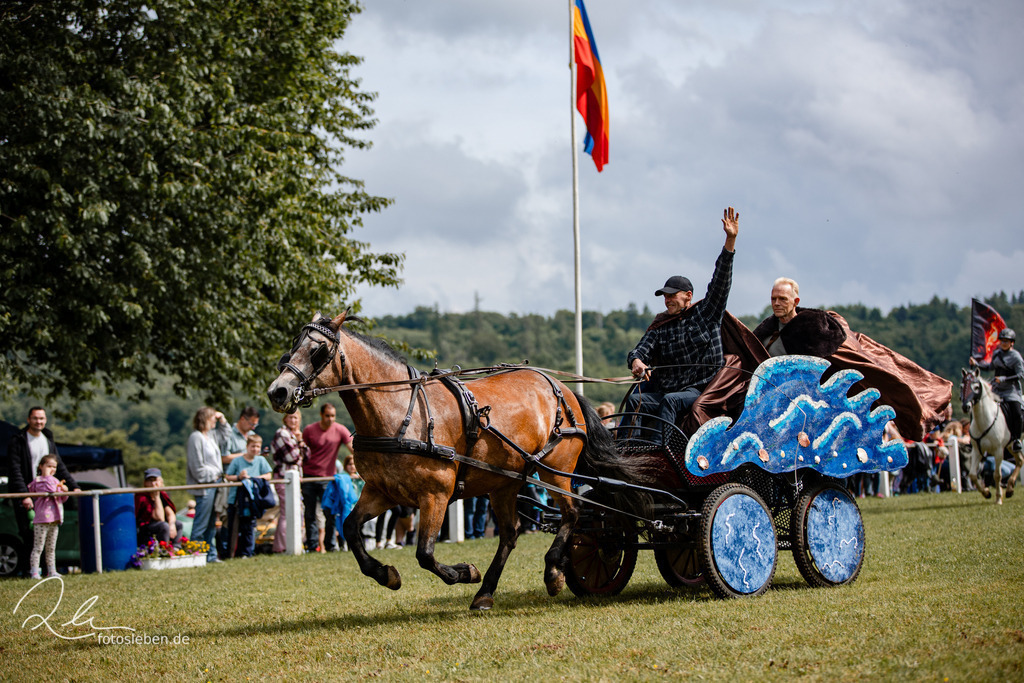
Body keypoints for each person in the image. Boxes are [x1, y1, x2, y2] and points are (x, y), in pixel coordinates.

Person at [625, 207, 739, 431]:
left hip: (702, 390)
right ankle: (630, 450)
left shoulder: (707, 313)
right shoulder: (660, 326)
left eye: (672, 296)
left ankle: (661, 451)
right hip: (668, 390)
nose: (667, 300)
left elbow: (721, 280)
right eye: (665, 296)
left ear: (688, 296)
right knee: (635, 400)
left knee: (671, 401)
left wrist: (730, 241)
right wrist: (636, 362)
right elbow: (639, 352)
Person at [5, 406, 80, 572]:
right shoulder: (18, 440)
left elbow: (59, 467)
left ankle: (49, 571)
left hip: (48, 499)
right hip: (29, 494)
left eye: (41, 419)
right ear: (28, 420)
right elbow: (15, 470)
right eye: (35, 418)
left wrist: (73, 487)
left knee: (50, 538)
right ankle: (29, 572)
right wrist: (24, 495)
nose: (38, 422)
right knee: (29, 535)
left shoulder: (48, 439)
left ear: (45, 420)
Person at [301, 403, 353, 552]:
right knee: (310, 513)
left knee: (330, 512)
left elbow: (352, 447)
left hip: (328, 478)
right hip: (309, 476)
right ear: (321, 415)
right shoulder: (310, 430)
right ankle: (312, 546)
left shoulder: (340, 429)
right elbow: (302, 453)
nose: (330, 419)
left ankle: (331, 546)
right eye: (327, 416)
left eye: (333, 416)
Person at [751, 278, 846, 357]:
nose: (776, 303)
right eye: (773, 299)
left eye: (783, 299)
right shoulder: (764, 334)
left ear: (796, 301)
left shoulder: (813, 328)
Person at [970, 328, 1024, 455]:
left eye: (1007, 341)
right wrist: (977, 364)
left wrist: (1004, 379)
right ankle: (975, 435)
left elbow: (1021, 375)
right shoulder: (997, 354)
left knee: (1017, 412)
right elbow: (990, 367)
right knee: (978, 406)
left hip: (1011, 391)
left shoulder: (1016, 357)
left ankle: (1016, 440)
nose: (1004, 343)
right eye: (1002, 340)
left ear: (1012, 343)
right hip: (996, 390)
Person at [224, 434, 273, 558]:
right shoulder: (237, 461)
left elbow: (268, 475)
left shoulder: (261, 460)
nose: (255, 449)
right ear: (247, 446)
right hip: (236, 499)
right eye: (253, 446)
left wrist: (255, 478)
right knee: (234, 527)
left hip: (252, 500)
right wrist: (239, 477)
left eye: (258, 447)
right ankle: (230, 553)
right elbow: (228, 476)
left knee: (249, 528)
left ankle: (247, 552)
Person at [186, 406, 224, 563]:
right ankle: (195, 555)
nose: (215, 420)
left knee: (210, 524)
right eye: (212, 418)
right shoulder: (196, 437)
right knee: (201, 523)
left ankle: (210, 555)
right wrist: (213, 475)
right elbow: (197, 466)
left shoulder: (210, 436)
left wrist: (223, 419)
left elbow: (225, 435)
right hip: (205, 486)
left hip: (215, 484)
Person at [270, 411, 309, 553]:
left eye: (296, 418)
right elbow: (291, 457)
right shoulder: (282, 433)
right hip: (283, 477)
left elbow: (308, 456)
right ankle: (281, 547)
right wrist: (300, 447)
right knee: (287, 512)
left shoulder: (295, 435)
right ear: (285, 419)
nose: (293, 420)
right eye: (291, 417)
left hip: (296, 478)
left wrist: (300, 443)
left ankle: (292, 543)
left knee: (297, 511)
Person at [26, 454, 68, 579]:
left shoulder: (55, 481)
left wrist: (64, 491)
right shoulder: (39, 481)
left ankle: (52, 570)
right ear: (41, 466)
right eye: (49, 466)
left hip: (55, 519)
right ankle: (34, 571)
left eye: (54, 467)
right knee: (38, 547)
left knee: (51, 548)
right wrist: (57, 485)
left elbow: (62, 498)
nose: (52, 469)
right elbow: (49, 489)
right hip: (41, 519)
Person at [134, 468, 183, 546]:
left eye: (156, 480)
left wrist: (172, 524)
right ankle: (164, 551)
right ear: (145, 483)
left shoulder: (163, 495)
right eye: (150, 480)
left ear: (161, 482)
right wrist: (156, 496)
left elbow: (170, 513)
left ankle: (176, 548)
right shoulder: (142, 497)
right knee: (164, 526)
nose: (153, 484)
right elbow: (159, 518)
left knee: (178, 524)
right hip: (146, 530)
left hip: (160, 527)